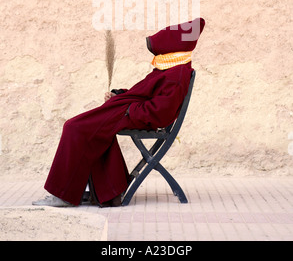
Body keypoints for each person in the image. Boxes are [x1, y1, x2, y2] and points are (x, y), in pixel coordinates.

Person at [33, 17, 205, 207]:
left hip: (132, 114)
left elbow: (161, 112)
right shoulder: (169, 67)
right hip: (126, 110)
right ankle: (110, 192)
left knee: (75, 128)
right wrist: (118, 95)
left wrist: (130, 110)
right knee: (93, 133)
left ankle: (63, 195)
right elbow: (142, 93)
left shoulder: (176, 74)